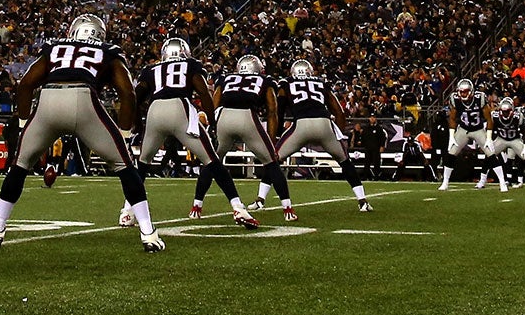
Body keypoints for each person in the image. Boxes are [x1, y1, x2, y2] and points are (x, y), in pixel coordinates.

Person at [0, 12, 162, 253]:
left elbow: (25, 83)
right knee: (125, 166)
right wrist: (125, 134)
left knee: (19, 166)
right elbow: (127, 93)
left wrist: (25, 123)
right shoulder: (108, 50)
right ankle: (148, 234)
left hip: (49, 100)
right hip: (83, 99)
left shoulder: (55, 46)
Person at [130, 35, 254, 228]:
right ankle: (238, 206)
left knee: (143, 164)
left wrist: (137, 124)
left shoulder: (150, 69)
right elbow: (203, 92)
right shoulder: (191, 65)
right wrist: (212, 123)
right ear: (185, 52)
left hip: (155, 110)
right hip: (180, 108)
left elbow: (135, 98)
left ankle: (127, 211)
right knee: (212, 160)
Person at [252, 57, 373, 213]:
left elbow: (279, 110)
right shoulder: (320, 83)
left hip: (301, 125)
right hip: (323, 123)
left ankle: (260, 199)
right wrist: (338, 133)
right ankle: (362, 201)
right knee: (344, 161)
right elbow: (339, 111)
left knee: (274, 160)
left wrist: (277, 134)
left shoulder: (286, 83)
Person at [200, 55, 296, 222]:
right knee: (271, 162)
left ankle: (196, 206)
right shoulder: (265, 80)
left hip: (224, 117)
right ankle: (287, 209)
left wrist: (213, 127)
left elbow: (215, 102)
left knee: (211, 161)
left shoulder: (226, 78)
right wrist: (271, 139)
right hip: (247, 117)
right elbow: (272, 110)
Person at [438, 79, 496, 191]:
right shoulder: (455, 99)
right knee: (451, 152)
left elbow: (489, 119)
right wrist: (451, 136)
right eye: (461, 91)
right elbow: (452, 118)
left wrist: (489, 138)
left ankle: (502, 182)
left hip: (478, 129)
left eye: (466, 91)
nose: (463, 94)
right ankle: (445, 182)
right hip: (463, 129)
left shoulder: (480, 98)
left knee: (491, 153)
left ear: (471, 91)